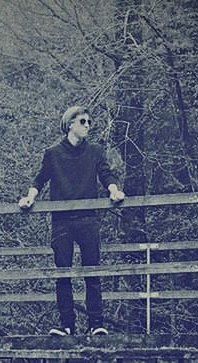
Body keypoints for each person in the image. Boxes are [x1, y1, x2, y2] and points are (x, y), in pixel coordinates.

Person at [18, 105, 125, 336]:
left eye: (89, 122)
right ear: (70, 125)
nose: (88, 126)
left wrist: (113, 191)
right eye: (83, 122)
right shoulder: (53, 153)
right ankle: (67, 325)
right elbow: (40, 179)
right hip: (62, 221)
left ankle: (96, 324)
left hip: (88, 219)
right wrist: (29, 197)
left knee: (92, 272)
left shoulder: (95, 151)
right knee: (62, 273)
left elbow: (106, 174)